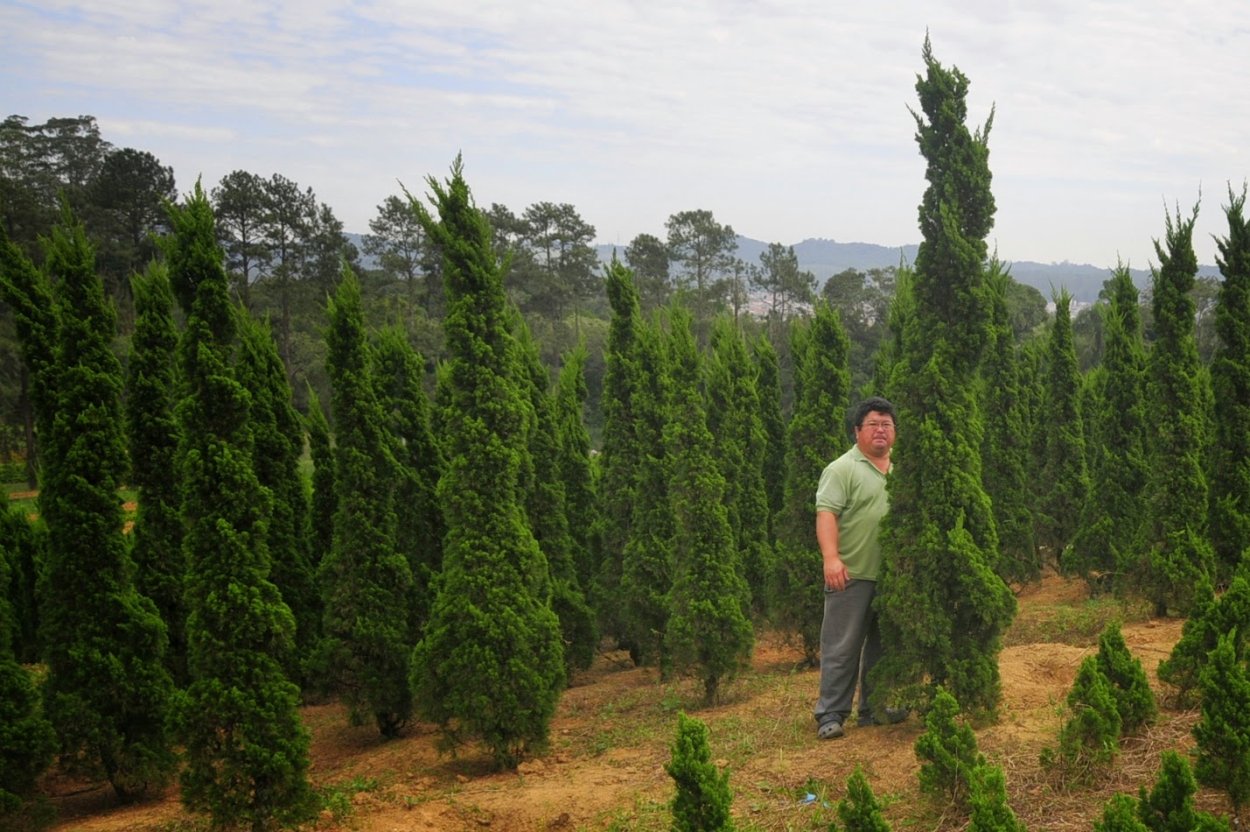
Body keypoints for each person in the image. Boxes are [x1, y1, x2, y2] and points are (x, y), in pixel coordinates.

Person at [812, 396, 905, 739]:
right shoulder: (842, 469)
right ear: (857, 431)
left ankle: (874, 709)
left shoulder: (901, 471)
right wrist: (831, 558)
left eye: (886, 424)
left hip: (892, 577)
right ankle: (831, 714)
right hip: (851, 575)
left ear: (895, 432)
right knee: (842, 647)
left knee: (884, 646)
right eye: (873, 424)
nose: (880, 430)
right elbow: (826, 515)